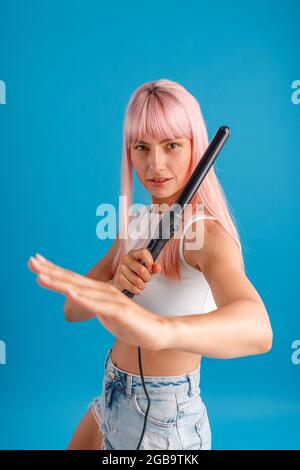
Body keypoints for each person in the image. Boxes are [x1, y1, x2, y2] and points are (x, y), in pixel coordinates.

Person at [28, 79, 273, 450]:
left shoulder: (206, 234)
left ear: (195, 145)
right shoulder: (134, 223)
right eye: (142, 147)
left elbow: (259, 330)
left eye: (172, 145)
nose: (155, 164)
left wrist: (161, 329)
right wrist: (114, 287)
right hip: (111, 393)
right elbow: (72, 309)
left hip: (164, 417)